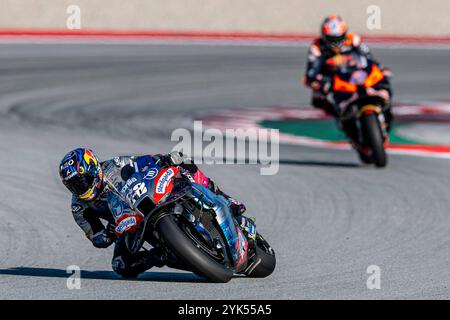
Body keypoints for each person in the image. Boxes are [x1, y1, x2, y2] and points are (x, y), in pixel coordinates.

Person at [59, 148, 247, 278]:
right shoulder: (79, 207)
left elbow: (145, 162)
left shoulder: (116, 165)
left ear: (92, 167)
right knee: (120, 266)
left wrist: (163, 159)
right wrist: (107, 233)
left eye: (82, 181)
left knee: (184, 165)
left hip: (151, 198)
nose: (80, 187)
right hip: (128, 226)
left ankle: (226, 199)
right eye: (74, 185)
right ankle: (162, 255)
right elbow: (96, 237)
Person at [304, 15, 393, 125]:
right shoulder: (316, 47)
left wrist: (379, 68)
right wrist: (318, 82)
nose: (335, 43)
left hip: (355, 73)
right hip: (333, 78)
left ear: (344, 33)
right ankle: (339, 117)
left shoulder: (353, 39)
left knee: (383, 75)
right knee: (317, 98)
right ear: (324, 35)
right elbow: (311, 72)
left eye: (338, 38)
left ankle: (386, 104)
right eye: (332, 39)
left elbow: (369, 57)